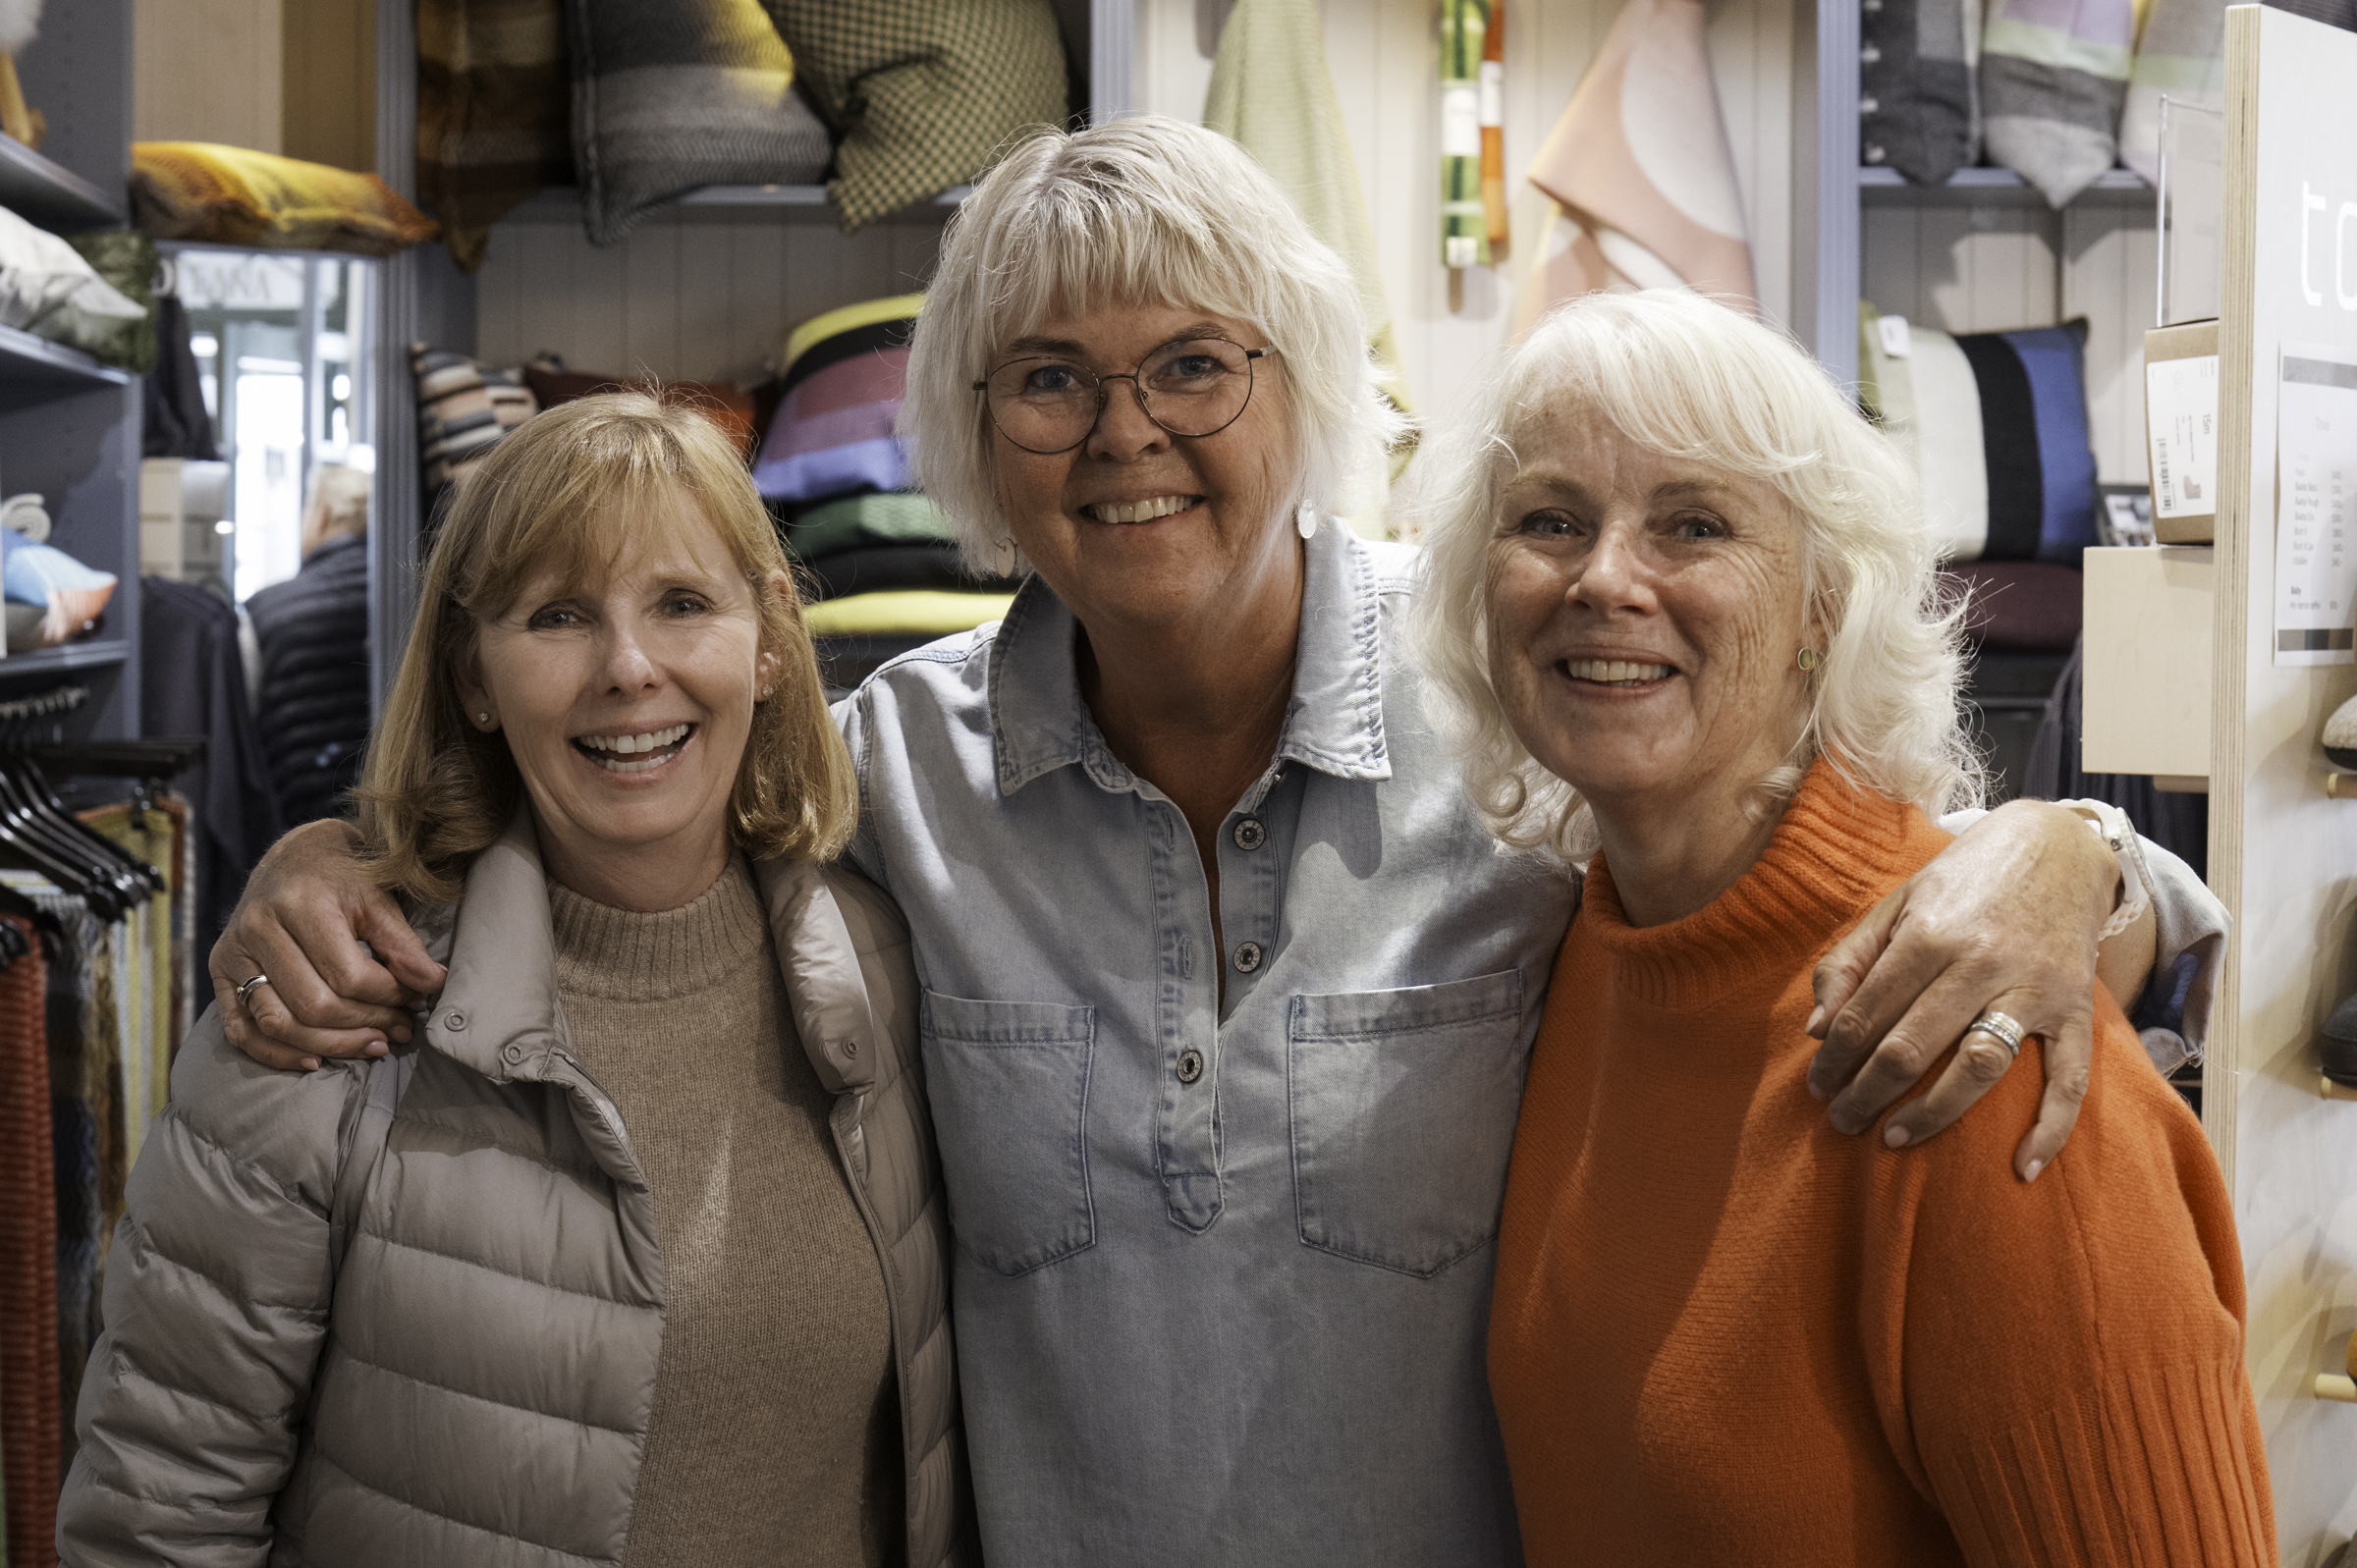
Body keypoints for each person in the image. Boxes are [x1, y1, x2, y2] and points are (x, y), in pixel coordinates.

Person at [207, 119, 2221, 1566]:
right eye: (1049, 384)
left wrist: (2093, 869)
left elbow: (1821, 856)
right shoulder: (891, 774)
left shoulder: (1517, 723)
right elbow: (608, 808)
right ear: (978, 439)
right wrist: (328, 865)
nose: (1124, 432)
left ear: (1304, 388)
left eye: (1193, 365)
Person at [1414, 290, 2270, 1564]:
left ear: (1822, 610)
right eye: (1551, 520)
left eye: (1693, 523)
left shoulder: (1976, 1049)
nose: (1602, 578)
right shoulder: (1580, 953)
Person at [59, 395, 969, 1568]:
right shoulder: (320, 1017)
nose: (629, 668)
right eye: (558, 616)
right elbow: (155, 1519)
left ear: (772, 644)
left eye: (683, 603)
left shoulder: (887, 972)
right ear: (475, 680)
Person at [246, 460, 373, 826]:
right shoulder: (412, 596)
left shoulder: (267, 611)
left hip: (299, 825)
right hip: (397, 822)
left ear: (322, 515)